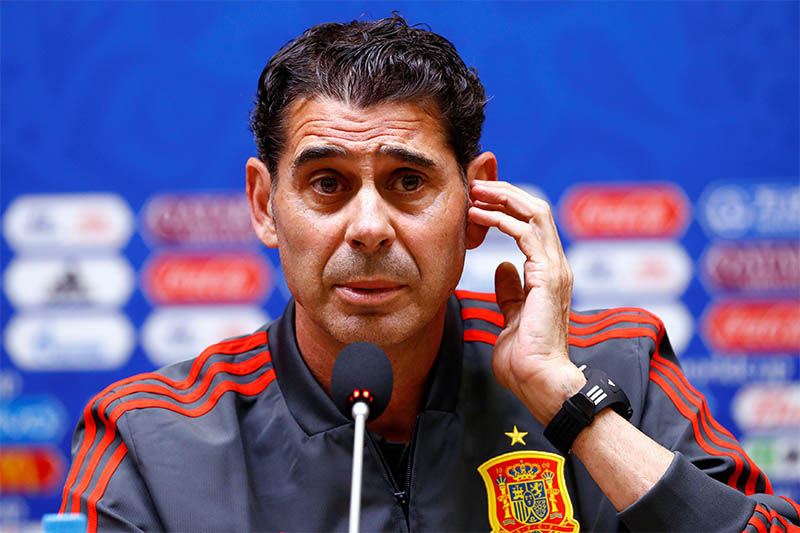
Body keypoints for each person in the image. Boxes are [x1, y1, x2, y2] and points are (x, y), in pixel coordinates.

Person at [61, 14, 799, 533]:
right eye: (327, 183)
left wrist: (568, 404)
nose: (370, 226)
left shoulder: (617, 365)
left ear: (475, 199)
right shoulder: (153, 436)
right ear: (264, 204)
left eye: (408, 182)